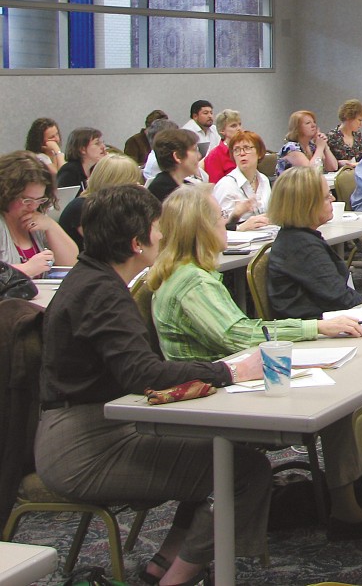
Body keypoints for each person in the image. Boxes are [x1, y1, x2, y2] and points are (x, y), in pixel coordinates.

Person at [36, 185, 272, 586]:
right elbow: (142, 373)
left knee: (213, 451)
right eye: (157, 229)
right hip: (84, 447)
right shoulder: (101, 293)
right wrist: (227, 373)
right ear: (136, 243)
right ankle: (176, 579)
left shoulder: (92, 278)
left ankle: (163, 563)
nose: (163, 236)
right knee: (242, 471)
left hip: (89, 428)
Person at [147, 185, 362, 541]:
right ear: (201, 228)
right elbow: (238, 336)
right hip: (219, 394)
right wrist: (314, 326)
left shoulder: (189, 273)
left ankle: (352, 499)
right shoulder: (191, 283)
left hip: (225, 380)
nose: (227, 222)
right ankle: (348, 506)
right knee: (342, 394)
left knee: (344, 388)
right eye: (219, 217)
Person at [267, 165, 362, 319]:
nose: (333, 199)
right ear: (307, 205)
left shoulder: (300, 237)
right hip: (316, 328)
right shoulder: (301, 246)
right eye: (327, 197)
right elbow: (339, 297)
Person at [0, 151, 79, 277]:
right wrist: (26, 269)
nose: (33, 206)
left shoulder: (36, 220)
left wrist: (51, 226)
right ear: (7, 193)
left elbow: (71, 263)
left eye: (39, 199)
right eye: (27, 200)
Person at [57, 152, 145, 249]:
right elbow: (112, 248)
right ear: (116, 184)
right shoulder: (83, 208)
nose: (137, 186)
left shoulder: (111, 205)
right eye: (132, 183)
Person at [211, 130, 273, 231]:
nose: (242, 153)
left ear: (260, 153)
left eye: (247, 148)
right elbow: (216, 228)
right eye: (237, 150)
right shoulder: (226, 185)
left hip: (265, 235)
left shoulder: (264, 180)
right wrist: (238, 222)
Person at [147, 128, 201, 202]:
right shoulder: (163, 190)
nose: (199, 156)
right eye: (194, 150)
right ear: (178, 156)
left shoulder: (187, 185)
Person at [277, 109, 337, 175]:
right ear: (297, 128)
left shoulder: (311, 146)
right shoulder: (291, 148)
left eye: (314, 122)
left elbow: (333, 168)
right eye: (308, 123)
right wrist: (320, 148)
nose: (313, 125)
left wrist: (324, 146)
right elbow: (310, 172)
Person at [200, 109, 241, 182]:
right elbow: (215, 186)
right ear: (222, 131)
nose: (239, 129)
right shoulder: (215, 155)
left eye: (239, 124)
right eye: (233, 126)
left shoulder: (245, 150)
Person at [327, 99, 362, 168]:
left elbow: (361, 156)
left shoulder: (357, 134)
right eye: (359, 120)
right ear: (349, 117)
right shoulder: (332, 136)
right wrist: (338, 163)